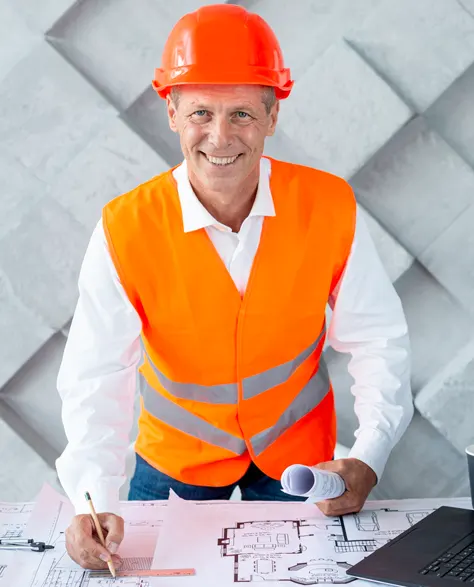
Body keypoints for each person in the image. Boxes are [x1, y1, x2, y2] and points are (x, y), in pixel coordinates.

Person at [56, 3, 413, 572]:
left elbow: (378, 340)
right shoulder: (126, 227)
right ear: (170, 112)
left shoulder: (329, 206)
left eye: (242, 113)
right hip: (174, 464)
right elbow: (97, 372)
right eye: (200, 111)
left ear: (273, 117)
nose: (220, 136)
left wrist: (369, 453)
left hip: (300, 461)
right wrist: (90, 497)